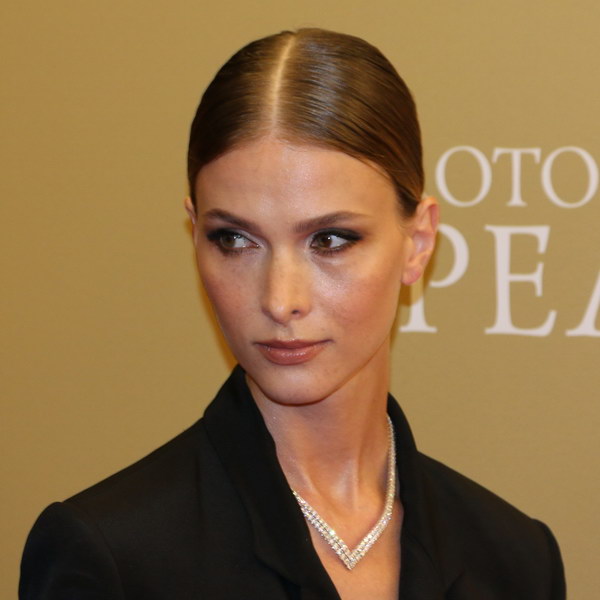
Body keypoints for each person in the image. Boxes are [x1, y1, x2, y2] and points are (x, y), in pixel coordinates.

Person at [19, 28, 565, 599]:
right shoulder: (112, 556)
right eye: (235, 239)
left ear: (419, 244)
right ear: (195, 232)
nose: (280, 300)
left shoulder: (515, 559)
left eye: (330, 240)